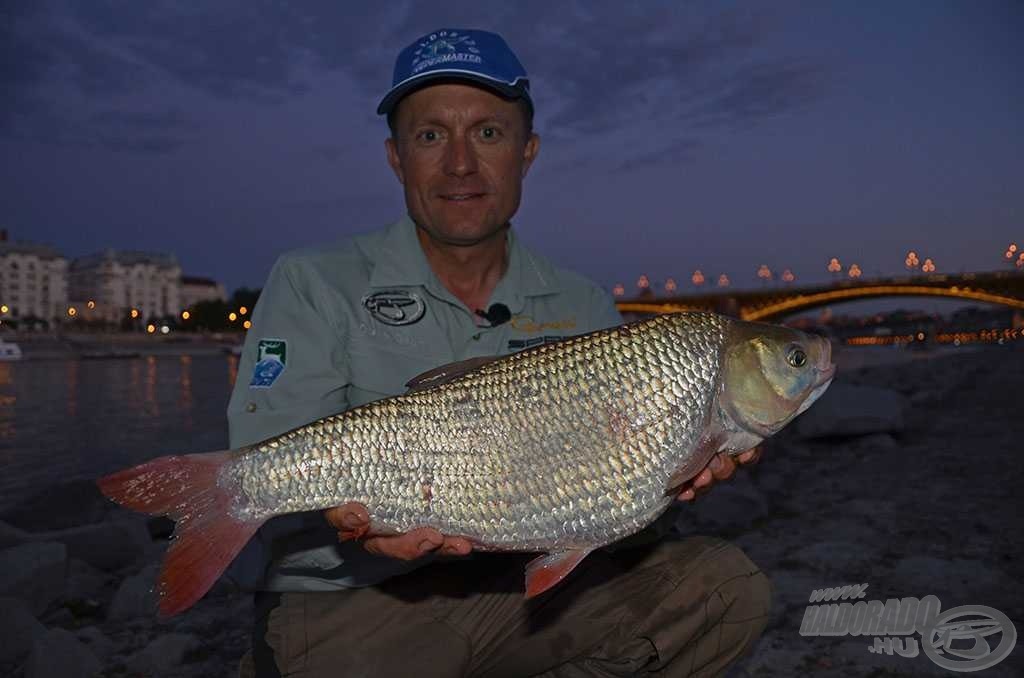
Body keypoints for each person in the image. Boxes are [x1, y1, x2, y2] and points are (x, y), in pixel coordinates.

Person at [229, 28, 770, 678]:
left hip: (532, 591)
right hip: (358, 601)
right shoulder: (312, 280)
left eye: (488, 133)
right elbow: (265, 460)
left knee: (726, 591)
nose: (460, 163)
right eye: (430, 136)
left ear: (527, 152)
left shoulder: (586, 304)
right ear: (396, 158)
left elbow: (618, 518)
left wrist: (674, 474)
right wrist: (358, 523)